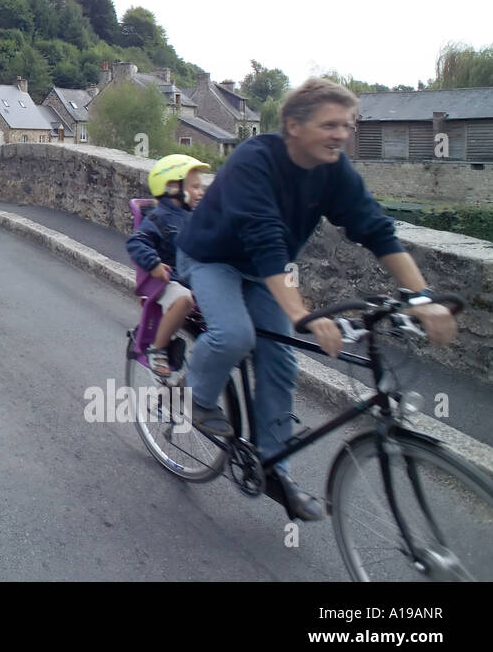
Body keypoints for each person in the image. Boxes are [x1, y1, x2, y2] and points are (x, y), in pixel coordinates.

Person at [174, 77, 456, 521]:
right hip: (212, 256)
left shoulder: (334, 170)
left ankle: (275, 470)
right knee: (234, 335)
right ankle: (198, 397)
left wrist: (421, 298)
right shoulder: (254, 160)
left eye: (348, 124)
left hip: (265, 268)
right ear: (293, 126)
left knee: (282, 362)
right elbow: (266, 241)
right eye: (330, 125)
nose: (342, 134)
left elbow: (375, 229)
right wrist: (303, 314)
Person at [126, 154, 210, 377]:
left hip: (191, 280)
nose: (201, 192)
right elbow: (136, 242)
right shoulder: (158, 218)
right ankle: (158, 348)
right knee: (184, 300)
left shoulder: (193, 216)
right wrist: (153, 264)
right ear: (173, 188)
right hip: (165, 282)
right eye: (195, 187)